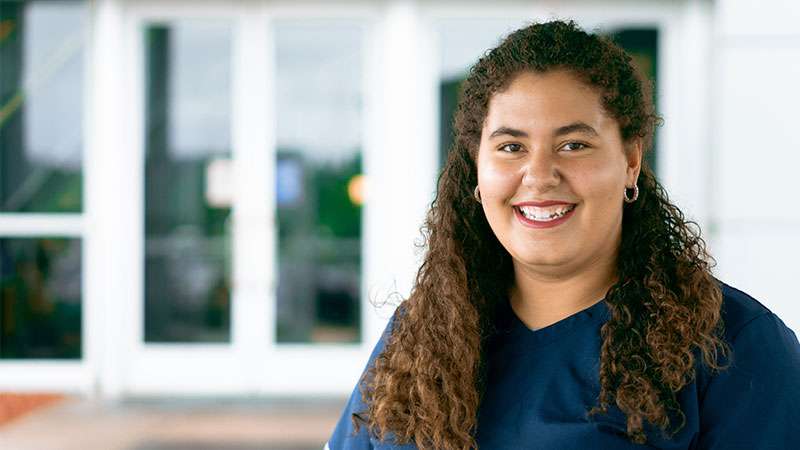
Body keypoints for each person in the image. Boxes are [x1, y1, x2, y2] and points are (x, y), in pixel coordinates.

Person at [326, 19, 800, 449]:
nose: (539, 174)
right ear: (477, 168)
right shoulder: (420, 333)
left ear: (631, 161)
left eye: (574, 145)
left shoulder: (734, 346)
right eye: (511, 146)